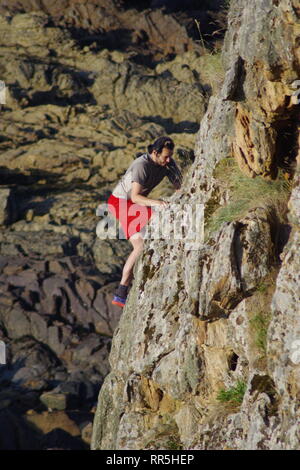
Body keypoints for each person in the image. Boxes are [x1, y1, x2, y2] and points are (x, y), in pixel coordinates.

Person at [107, 136, 182, 307]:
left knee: (142, 243)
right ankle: (121, 291)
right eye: (165, 156)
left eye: (170, 156)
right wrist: (157, 203)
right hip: (121, 203)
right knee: (141, 244)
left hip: (133, 202)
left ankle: (121, 292)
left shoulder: (167, 163)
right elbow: (135, 197)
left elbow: (180, 187)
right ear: (154, 153)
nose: (169, 159)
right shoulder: (141, 165)